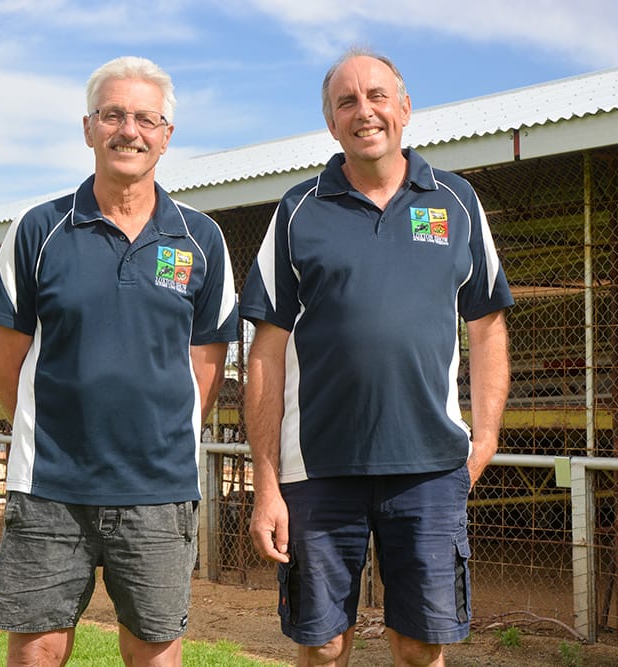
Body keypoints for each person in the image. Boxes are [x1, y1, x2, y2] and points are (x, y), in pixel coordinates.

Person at [240, 47, 513, 666]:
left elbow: (488, 325)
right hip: (316, 470)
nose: (365, 112)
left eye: (377, 96)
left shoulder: (457, 202)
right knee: (324, 645)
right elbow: (266, 354)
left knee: (421, 646)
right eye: (347, 102)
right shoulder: (297, 212)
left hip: (429, 468)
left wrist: (488, 435)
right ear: (331, 124)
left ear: (405, 108)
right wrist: (265, 481)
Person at [0, 56, 239, 666]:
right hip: (51, 485)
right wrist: (58, 434)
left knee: (154, 649)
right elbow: (1, 368)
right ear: (89, 127)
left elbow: (206, 367)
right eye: (113, 115)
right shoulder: (38, 229)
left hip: (158, 488)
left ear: (166, 135)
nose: (130, 131)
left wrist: (154, 436)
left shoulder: (202, 239)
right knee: (38, 647)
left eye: (146, 118)